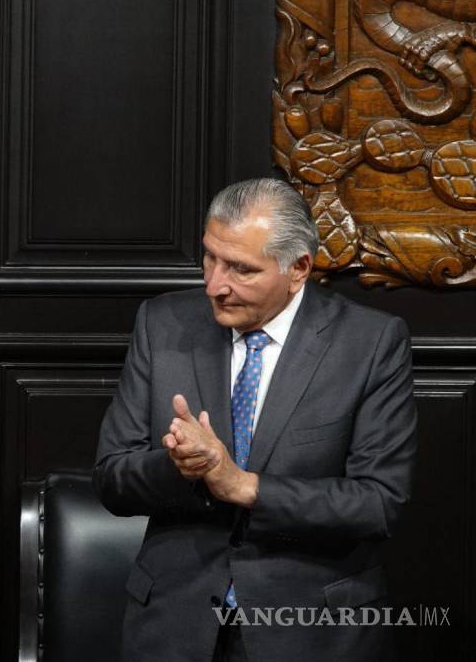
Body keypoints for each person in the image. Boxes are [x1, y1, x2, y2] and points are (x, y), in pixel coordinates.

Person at [94, 178, 416, 661]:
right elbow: (111, 476)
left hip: (311, 632)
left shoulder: (370, 343)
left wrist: (244, 486)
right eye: (210, 258)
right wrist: (181, 467)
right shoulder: (162, 323)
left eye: (241, 269)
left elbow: (378, 503)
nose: (214, 285)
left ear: (298, 269)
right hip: (175, 627)